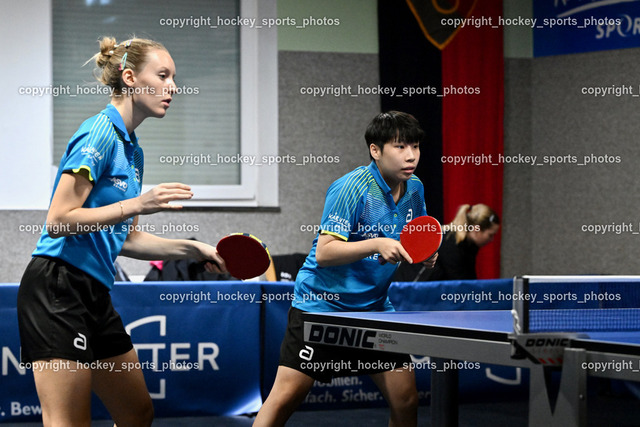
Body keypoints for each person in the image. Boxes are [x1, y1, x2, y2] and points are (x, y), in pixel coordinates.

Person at [17, 36, 226, 426]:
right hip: (58, 286)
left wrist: (194, 249)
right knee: (68, 420)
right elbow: (58, 220)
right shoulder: (98, 132)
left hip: (95, 293)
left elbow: (125, 238)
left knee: (136, 412)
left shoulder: (134, 152)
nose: (172, 87)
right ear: (129, 78)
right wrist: (138, 204)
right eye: (162, 76)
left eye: (173, 78)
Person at [254, 111, 435, 427]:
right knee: (284, 398)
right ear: (375, 150)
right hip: (322, 306)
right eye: (400, 147)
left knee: (406, 399)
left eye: (415, 146)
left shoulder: (415, 188)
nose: (411, 156)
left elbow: (415, 236)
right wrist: (377, 244)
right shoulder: (352, 188)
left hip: (374, 309)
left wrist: (425, 253)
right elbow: (325, 253)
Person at [393, 203, 500, 282]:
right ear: (477, 229)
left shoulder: (470, 245)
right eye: (490, 235)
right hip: (408, 290)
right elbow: (460, 282)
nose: (492, 239)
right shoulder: (450, 242)